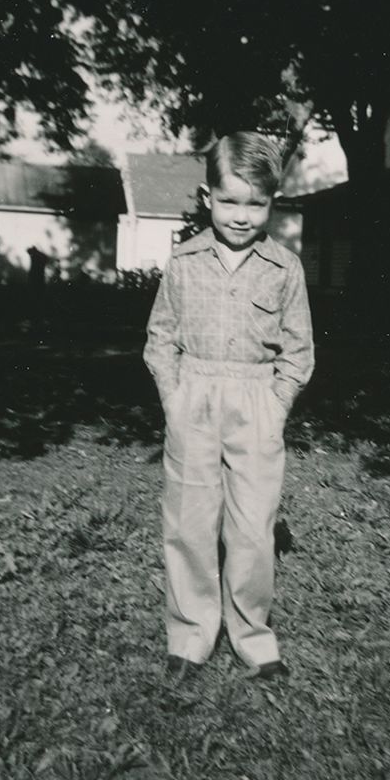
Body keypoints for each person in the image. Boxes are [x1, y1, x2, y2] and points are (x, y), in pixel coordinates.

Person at [143, 132, 314, 683]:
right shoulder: (184, 262)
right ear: (207, 195)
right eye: (230, 200)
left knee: (252, 527)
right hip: (194, 395)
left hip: (255, 400)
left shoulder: (285, 268)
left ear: (273, 201)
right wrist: (174, 398)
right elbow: (160, 338)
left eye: (256, 203)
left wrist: (276, 404)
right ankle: (190, 635)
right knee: (190, 522)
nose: (241, 216)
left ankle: (253, 636)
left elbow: (298, 350)